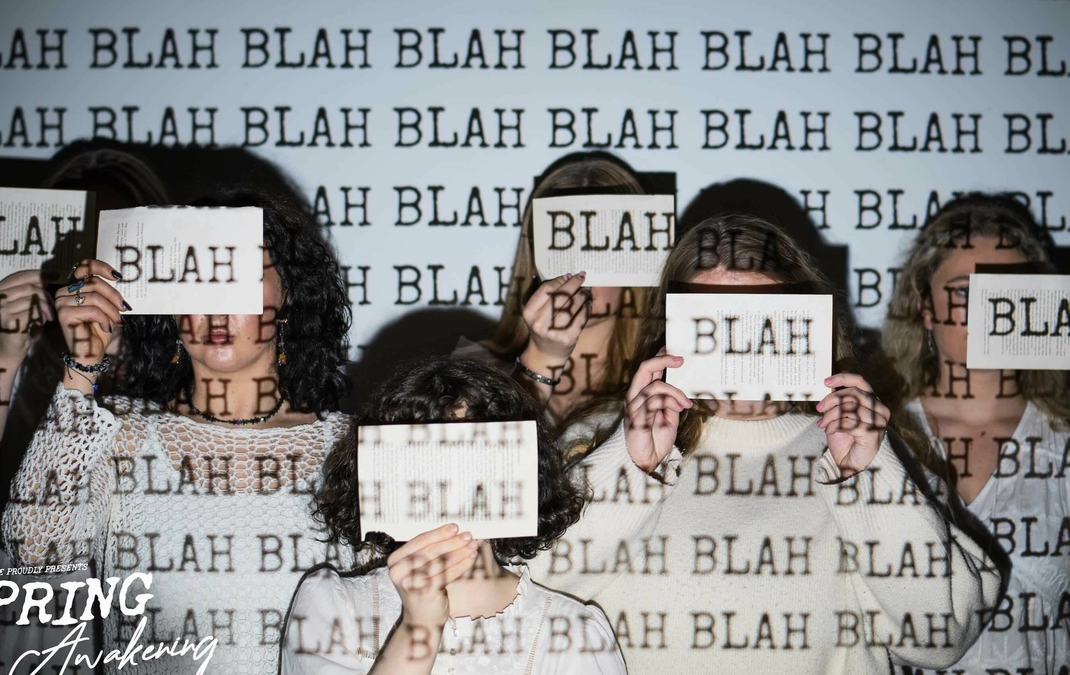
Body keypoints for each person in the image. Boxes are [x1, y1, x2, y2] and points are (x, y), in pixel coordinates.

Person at [530, 214, 1002, 673]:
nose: (741, 345)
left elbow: (942, 637)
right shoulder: (599, 438)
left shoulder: (866, 450)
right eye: (714, 324)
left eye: (763, 322)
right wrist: (630, 463)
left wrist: (869, 474)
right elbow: (528, 591)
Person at [0, 189, 355, 675]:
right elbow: (34, 552)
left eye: (240, 276)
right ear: (166, 301)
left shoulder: (349, 447)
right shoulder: (120, 434)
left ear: (288, 294)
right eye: (196, 279)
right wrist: (81, 367)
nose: (217, 307)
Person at [0, 146, 168, 672]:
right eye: (74, 243)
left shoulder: (178, 362)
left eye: (112, 241)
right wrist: (5, 352)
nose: (90, 265)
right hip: (23, 643)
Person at [881, 193, 1070, 674]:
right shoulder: (879, 437)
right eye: (965, 293)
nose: (989, 311)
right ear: (925, 308)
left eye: (1007, 292)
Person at [280, 357, 626, 674]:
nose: (446, 480)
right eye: (420, 456)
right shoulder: (331, 608)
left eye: (472, 453)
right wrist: (419, 627)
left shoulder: (574, 634)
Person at [460, 152, 652, 430]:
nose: (577, 269)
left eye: (599, 245)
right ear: (535, 259)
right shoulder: (470, 374)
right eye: (562, 244)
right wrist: (540, 360)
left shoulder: (665, 373)